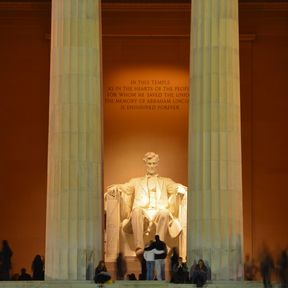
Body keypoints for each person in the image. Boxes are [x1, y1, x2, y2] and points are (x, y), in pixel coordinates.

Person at [106, 152, 186, 255]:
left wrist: (180, 189)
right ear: (145, 164)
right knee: (136, 210)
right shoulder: (135, 181)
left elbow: (175, 186)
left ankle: (159, 246)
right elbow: (126, 187)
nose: (151, 166)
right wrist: (116, 187)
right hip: (142, 213)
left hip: (159, 211)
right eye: (149, 163)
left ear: (157, 164)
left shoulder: (166, 181)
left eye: (153, 163)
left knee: (165, 212)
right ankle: (139, 247)